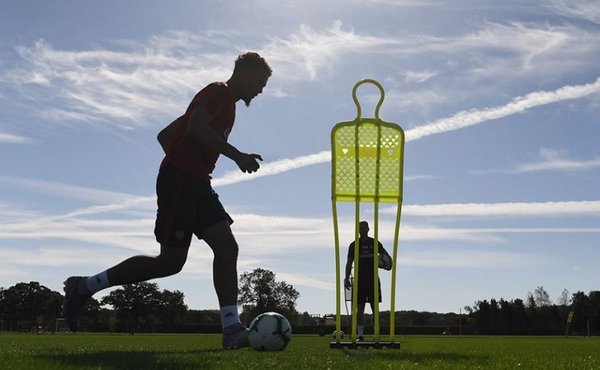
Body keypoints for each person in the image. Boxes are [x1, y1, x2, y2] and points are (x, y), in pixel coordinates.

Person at [63, 52, 272, 349]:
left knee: (227, 247)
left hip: (196, 183)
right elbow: (195, 129)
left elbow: (166, 135)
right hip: (182, 182)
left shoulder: (227, 104)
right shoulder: (219, 92)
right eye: (260, 82)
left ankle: (232, 330)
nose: (261, 90)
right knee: (170, 262)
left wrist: (187, 161)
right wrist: (231, 156)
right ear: (245, 73)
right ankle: (83, 286)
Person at [344, 221, 392, 341]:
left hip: (373, 279)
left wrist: (386, 262)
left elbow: (387, 257)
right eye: (361, 228)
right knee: (360, 308)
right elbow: (349, 262)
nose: (363, 229)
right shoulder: (353, 245)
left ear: (368, 229)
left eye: (365, 227)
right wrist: (346, 278)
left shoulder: (375, 242)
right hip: (359, 280)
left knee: (375, 307)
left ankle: (376, 334)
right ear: (358, 230)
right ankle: (360, 335)